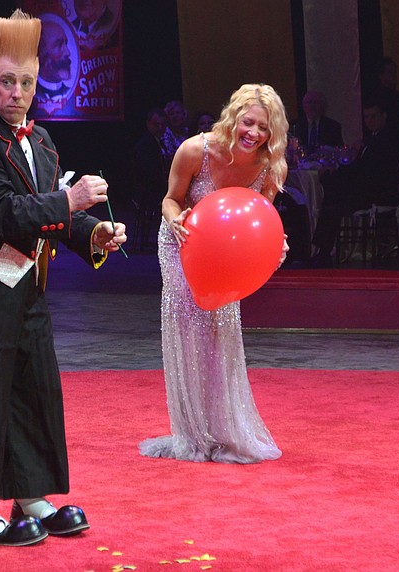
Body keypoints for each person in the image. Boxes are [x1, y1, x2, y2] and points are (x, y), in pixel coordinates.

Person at [0, 10, 126, 546]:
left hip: (26, 288)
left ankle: (30, 493)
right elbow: (5, 214)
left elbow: (48, 211)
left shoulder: (44, 142)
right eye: (7, 82)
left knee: (32, 390)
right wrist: (69, 200)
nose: (17, 93)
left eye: (27, 82)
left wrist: (90, 234)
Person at [138, 83, 288, 464]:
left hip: (224, 259)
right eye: (249, 122)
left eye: (264, 128)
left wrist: (275, 245)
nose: (253, 133)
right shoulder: (195, 150)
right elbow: (170, 200)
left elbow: (259, 223)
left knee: (222, 331)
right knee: (187, 325)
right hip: (180, 242)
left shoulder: (269, 168)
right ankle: (190, 433)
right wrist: (177, 221)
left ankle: (222, 430)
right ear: (234, 117)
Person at [309, 100, 399, 265]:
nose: (369, 121)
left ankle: (322, 249)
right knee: (332, 194)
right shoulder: (373, 139)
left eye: (373, 116)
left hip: (379, 191)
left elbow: (372, 171)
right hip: (369, 187)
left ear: (384, 116)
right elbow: (360, 168)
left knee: (333, 197)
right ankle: (322, 248)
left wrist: (339, 173)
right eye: (366, 117)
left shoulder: (386, 140)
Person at [131, 107, 169, 251]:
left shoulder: (159, 141)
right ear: (148, 123)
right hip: (147, 192)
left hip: (154, 187)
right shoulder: (146, 144)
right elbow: (150, 173)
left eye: (163, 125)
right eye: (156, 124)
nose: (160, 128)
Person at [365, 57, 399, 134]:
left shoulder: (398, 97)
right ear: (381, 75)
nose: (394, 75)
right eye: (390, 72)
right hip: (383, 139)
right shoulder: (376, 97)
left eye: (395, 72)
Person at [36, 19, 74, 101]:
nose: (67, 52)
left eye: (65, 43)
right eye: (58, 45)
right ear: (41, 51)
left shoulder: (67, 91)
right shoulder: (32, 94)